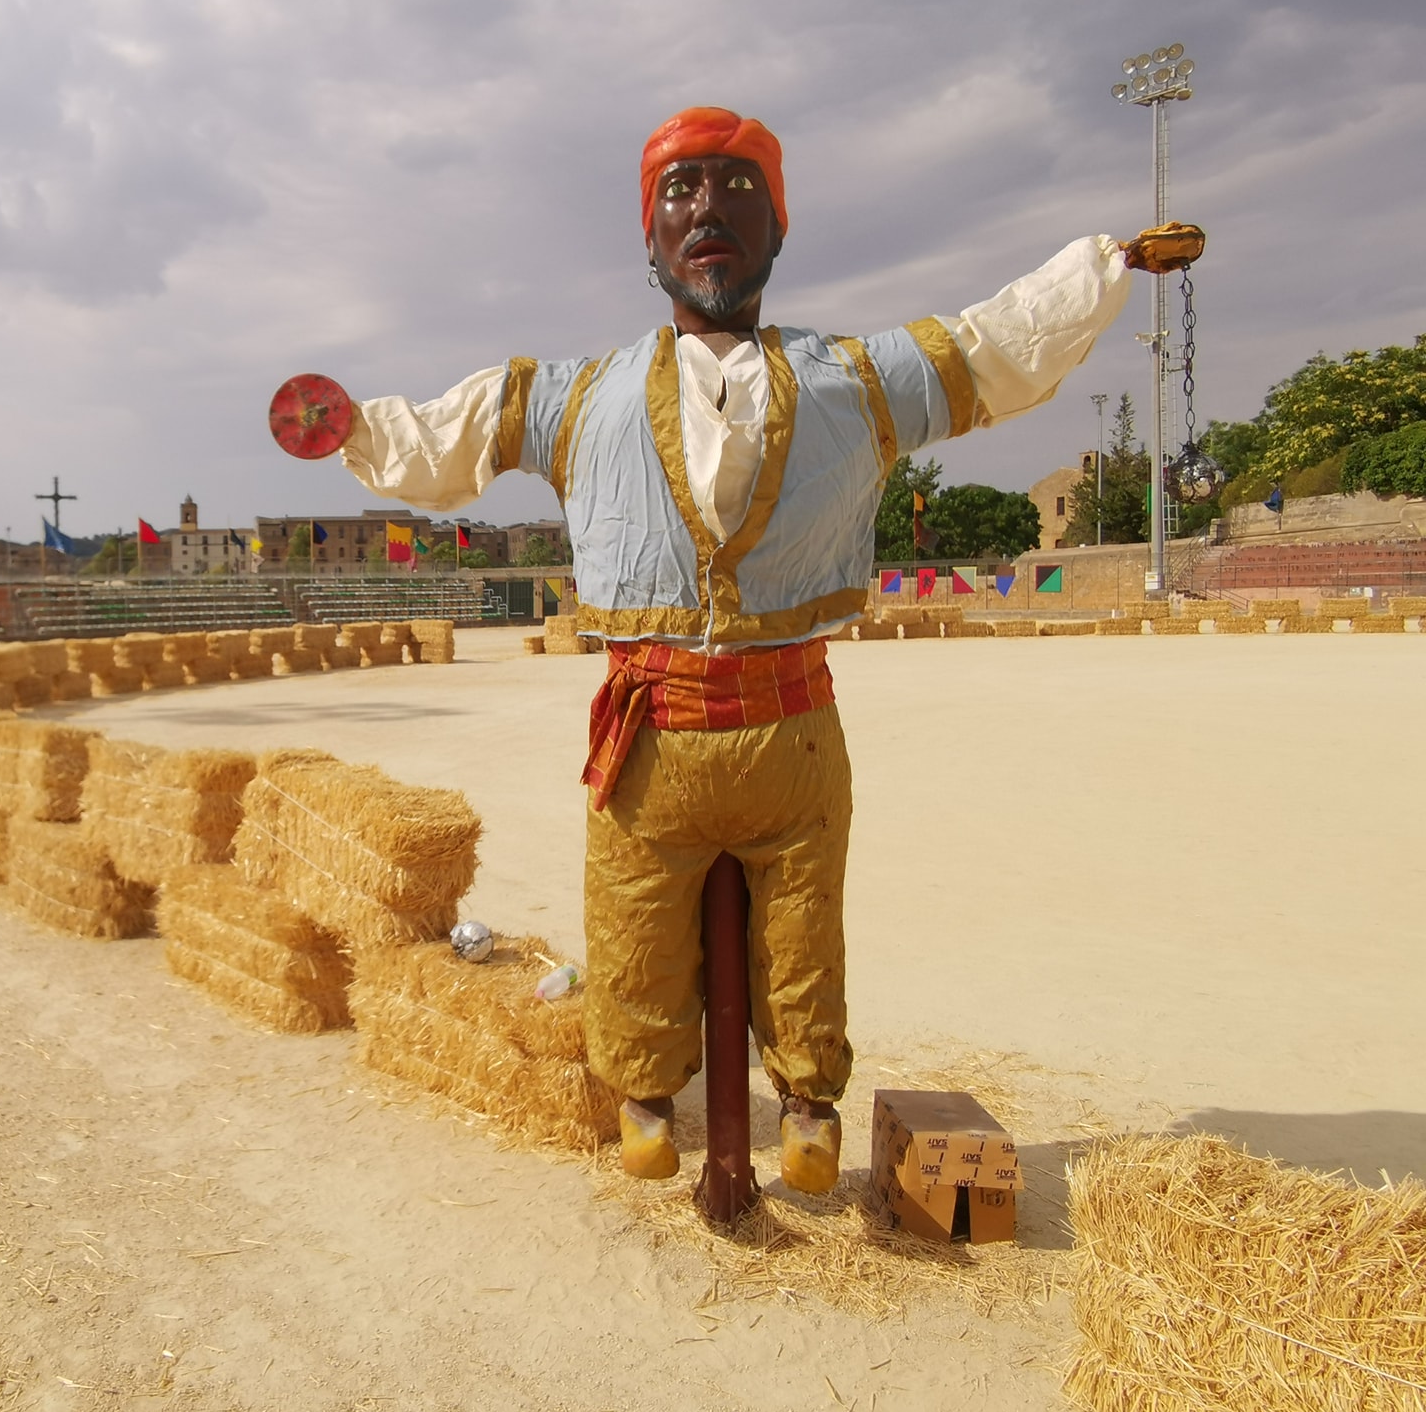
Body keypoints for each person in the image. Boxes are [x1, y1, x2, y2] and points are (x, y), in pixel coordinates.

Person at [324, 106, 1200, 1195]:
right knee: (634, 923)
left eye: (736, 191)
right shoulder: (568, 397)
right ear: (648, 240)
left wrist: (1102, 267)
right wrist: (346, 426)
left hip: (793, 733)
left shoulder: (852, 380)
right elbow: (441, 434)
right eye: (680, 192)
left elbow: (992, 343)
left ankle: (808, 1100)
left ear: (778, 229)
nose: (707, 214)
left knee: (803, 931)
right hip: (652, 739)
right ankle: (644, 1092)